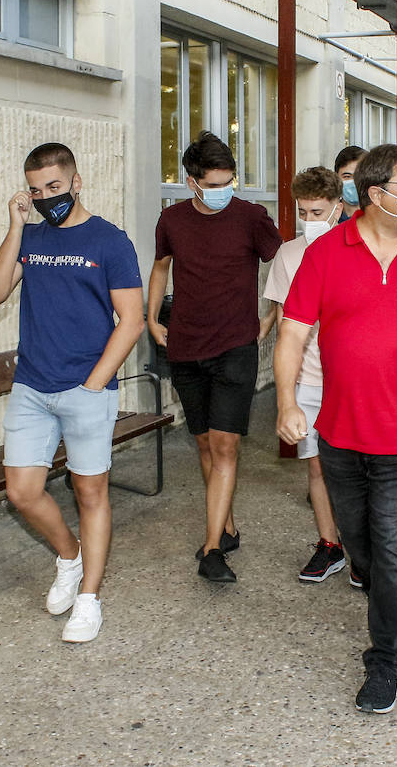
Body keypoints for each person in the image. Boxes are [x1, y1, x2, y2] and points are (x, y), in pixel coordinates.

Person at [274, 144, 397, 714]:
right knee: (360, 544)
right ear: (374, 194)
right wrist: (286, 402)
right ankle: (367, 571)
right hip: (339, 430)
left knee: (394, 551)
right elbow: (291, 334)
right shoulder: (325, 254)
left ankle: (385, 658)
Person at [0, 142, 145, 643]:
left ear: (75, 182)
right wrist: (15, 226)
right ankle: (69, 557)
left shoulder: (109, 241)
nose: (46, 196)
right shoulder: (31, 238)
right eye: (35, 189)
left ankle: (90, 598)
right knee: (22, 493)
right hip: (32, 387)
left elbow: (131, 320)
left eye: (54, 186)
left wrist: (95, 383)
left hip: (86, 389)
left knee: (90, 493)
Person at [149, 131, 282, 584]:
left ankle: (211, 551)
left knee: (226, 445)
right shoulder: (172, 220)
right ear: (192, 182)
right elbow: (161, 265)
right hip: (185, 347)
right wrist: (151, 318)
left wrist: (269, 315)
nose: (224, 190)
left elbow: (282, 266)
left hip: (234, 348)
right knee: (205, 443)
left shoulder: (252, 218)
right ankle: (224, 526)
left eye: (230, 181)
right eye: (215, 183)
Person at [262, 166, 349, 583]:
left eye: (319, 211)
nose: (311, 220)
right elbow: (284, 328)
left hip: (351, 380)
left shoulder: (360, 250)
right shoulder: (288, 254)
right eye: (304, 212)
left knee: (358, 468)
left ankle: (363, 549)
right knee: (317, 467)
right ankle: (329, 544)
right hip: (311, 381)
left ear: (338, 207)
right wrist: (288, 396)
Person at [334, 146, 367, 221]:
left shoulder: (379, 216)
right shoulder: (329, 216)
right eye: (347, 176)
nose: (354, 182)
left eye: (358, 176)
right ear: (336, 178)